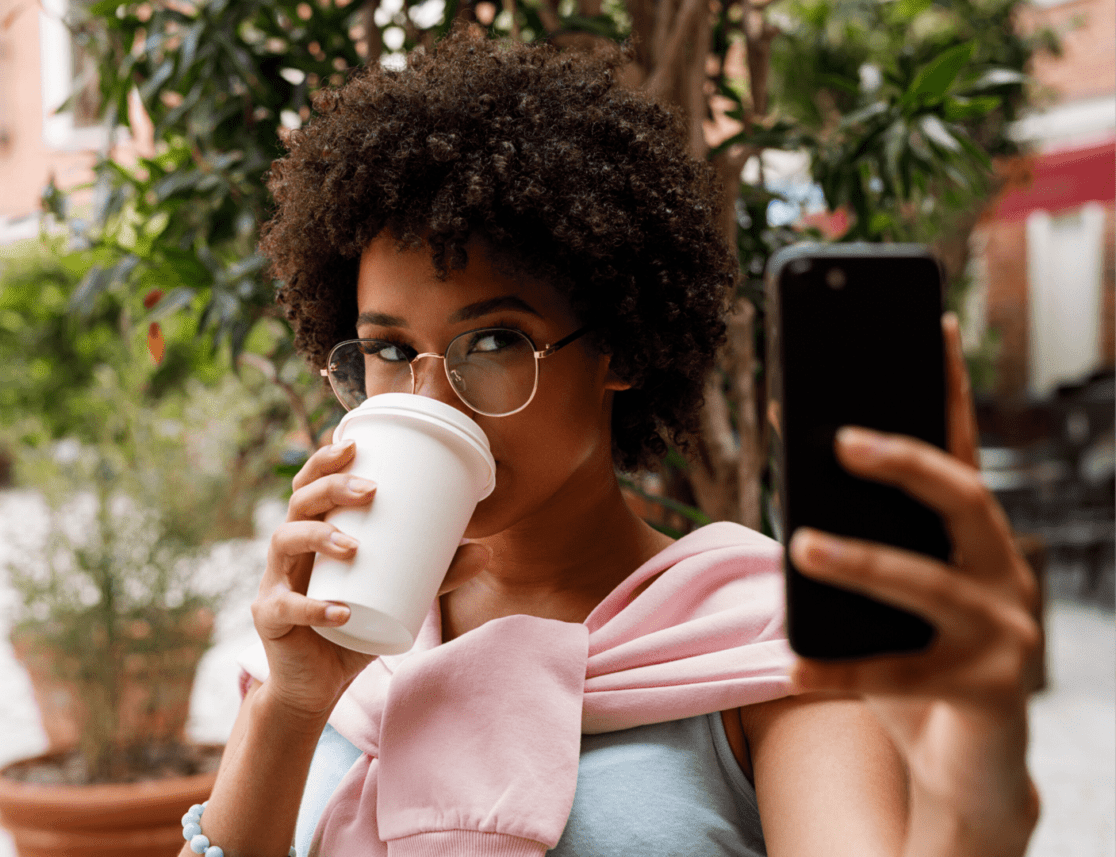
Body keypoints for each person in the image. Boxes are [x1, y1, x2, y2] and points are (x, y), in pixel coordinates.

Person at [181, 24, 1041, 857]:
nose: (431, 397)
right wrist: (290, 705)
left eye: (495, 342)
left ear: (620, 348)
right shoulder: (351, 637)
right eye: (392, 350)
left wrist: (979, 795)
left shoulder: (757, 635)